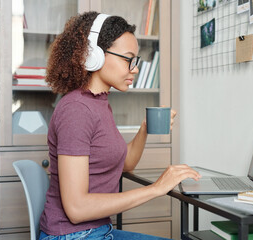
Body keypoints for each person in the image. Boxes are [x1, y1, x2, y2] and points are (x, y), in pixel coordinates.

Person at [39, 11, 201, 240]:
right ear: (93, 55)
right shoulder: (76, 110)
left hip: (97, 231)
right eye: (128, 59)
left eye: (135, 61)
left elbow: (125, 163)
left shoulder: (99, 103)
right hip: (74, 235)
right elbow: (77, 209)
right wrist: (156, 189)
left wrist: (144, 128)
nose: (134, 69)